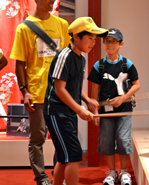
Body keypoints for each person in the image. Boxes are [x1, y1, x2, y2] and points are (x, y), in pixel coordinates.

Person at [10, 0, 70, 185]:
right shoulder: (24, 28)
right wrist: (24, 90)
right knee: (37, 139)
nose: (52, 0)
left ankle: (57, 176)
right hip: (36, 92)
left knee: (61, 138)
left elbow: (68, 58)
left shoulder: (62, 25)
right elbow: (20, 63)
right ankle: (41, 178)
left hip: (60, 92)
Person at [43, 17, 108, 185]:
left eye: (95, 39)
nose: (93, 43)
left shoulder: (81, 58)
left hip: (68, 111)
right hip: (56, 112)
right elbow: (60, 89)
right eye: (90, 38)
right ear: (77, 36)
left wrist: (87, 100)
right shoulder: (65, 56)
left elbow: (76, 86)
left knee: (64, 157)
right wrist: (79, 110)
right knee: (74, 154)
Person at [88, 28, 140, 185]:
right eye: (107, 41)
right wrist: (95, 111)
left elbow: (137, 85)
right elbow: (95, 90)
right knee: (106, 140)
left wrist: (123, 98)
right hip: (106, 111)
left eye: (114, 42)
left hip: (124, 109)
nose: (110, 44)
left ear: (121, 44)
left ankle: (123, 171)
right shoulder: (99, 65)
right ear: (103, 43)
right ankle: (112, 172)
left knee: (123, 139)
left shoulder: (127, 64)